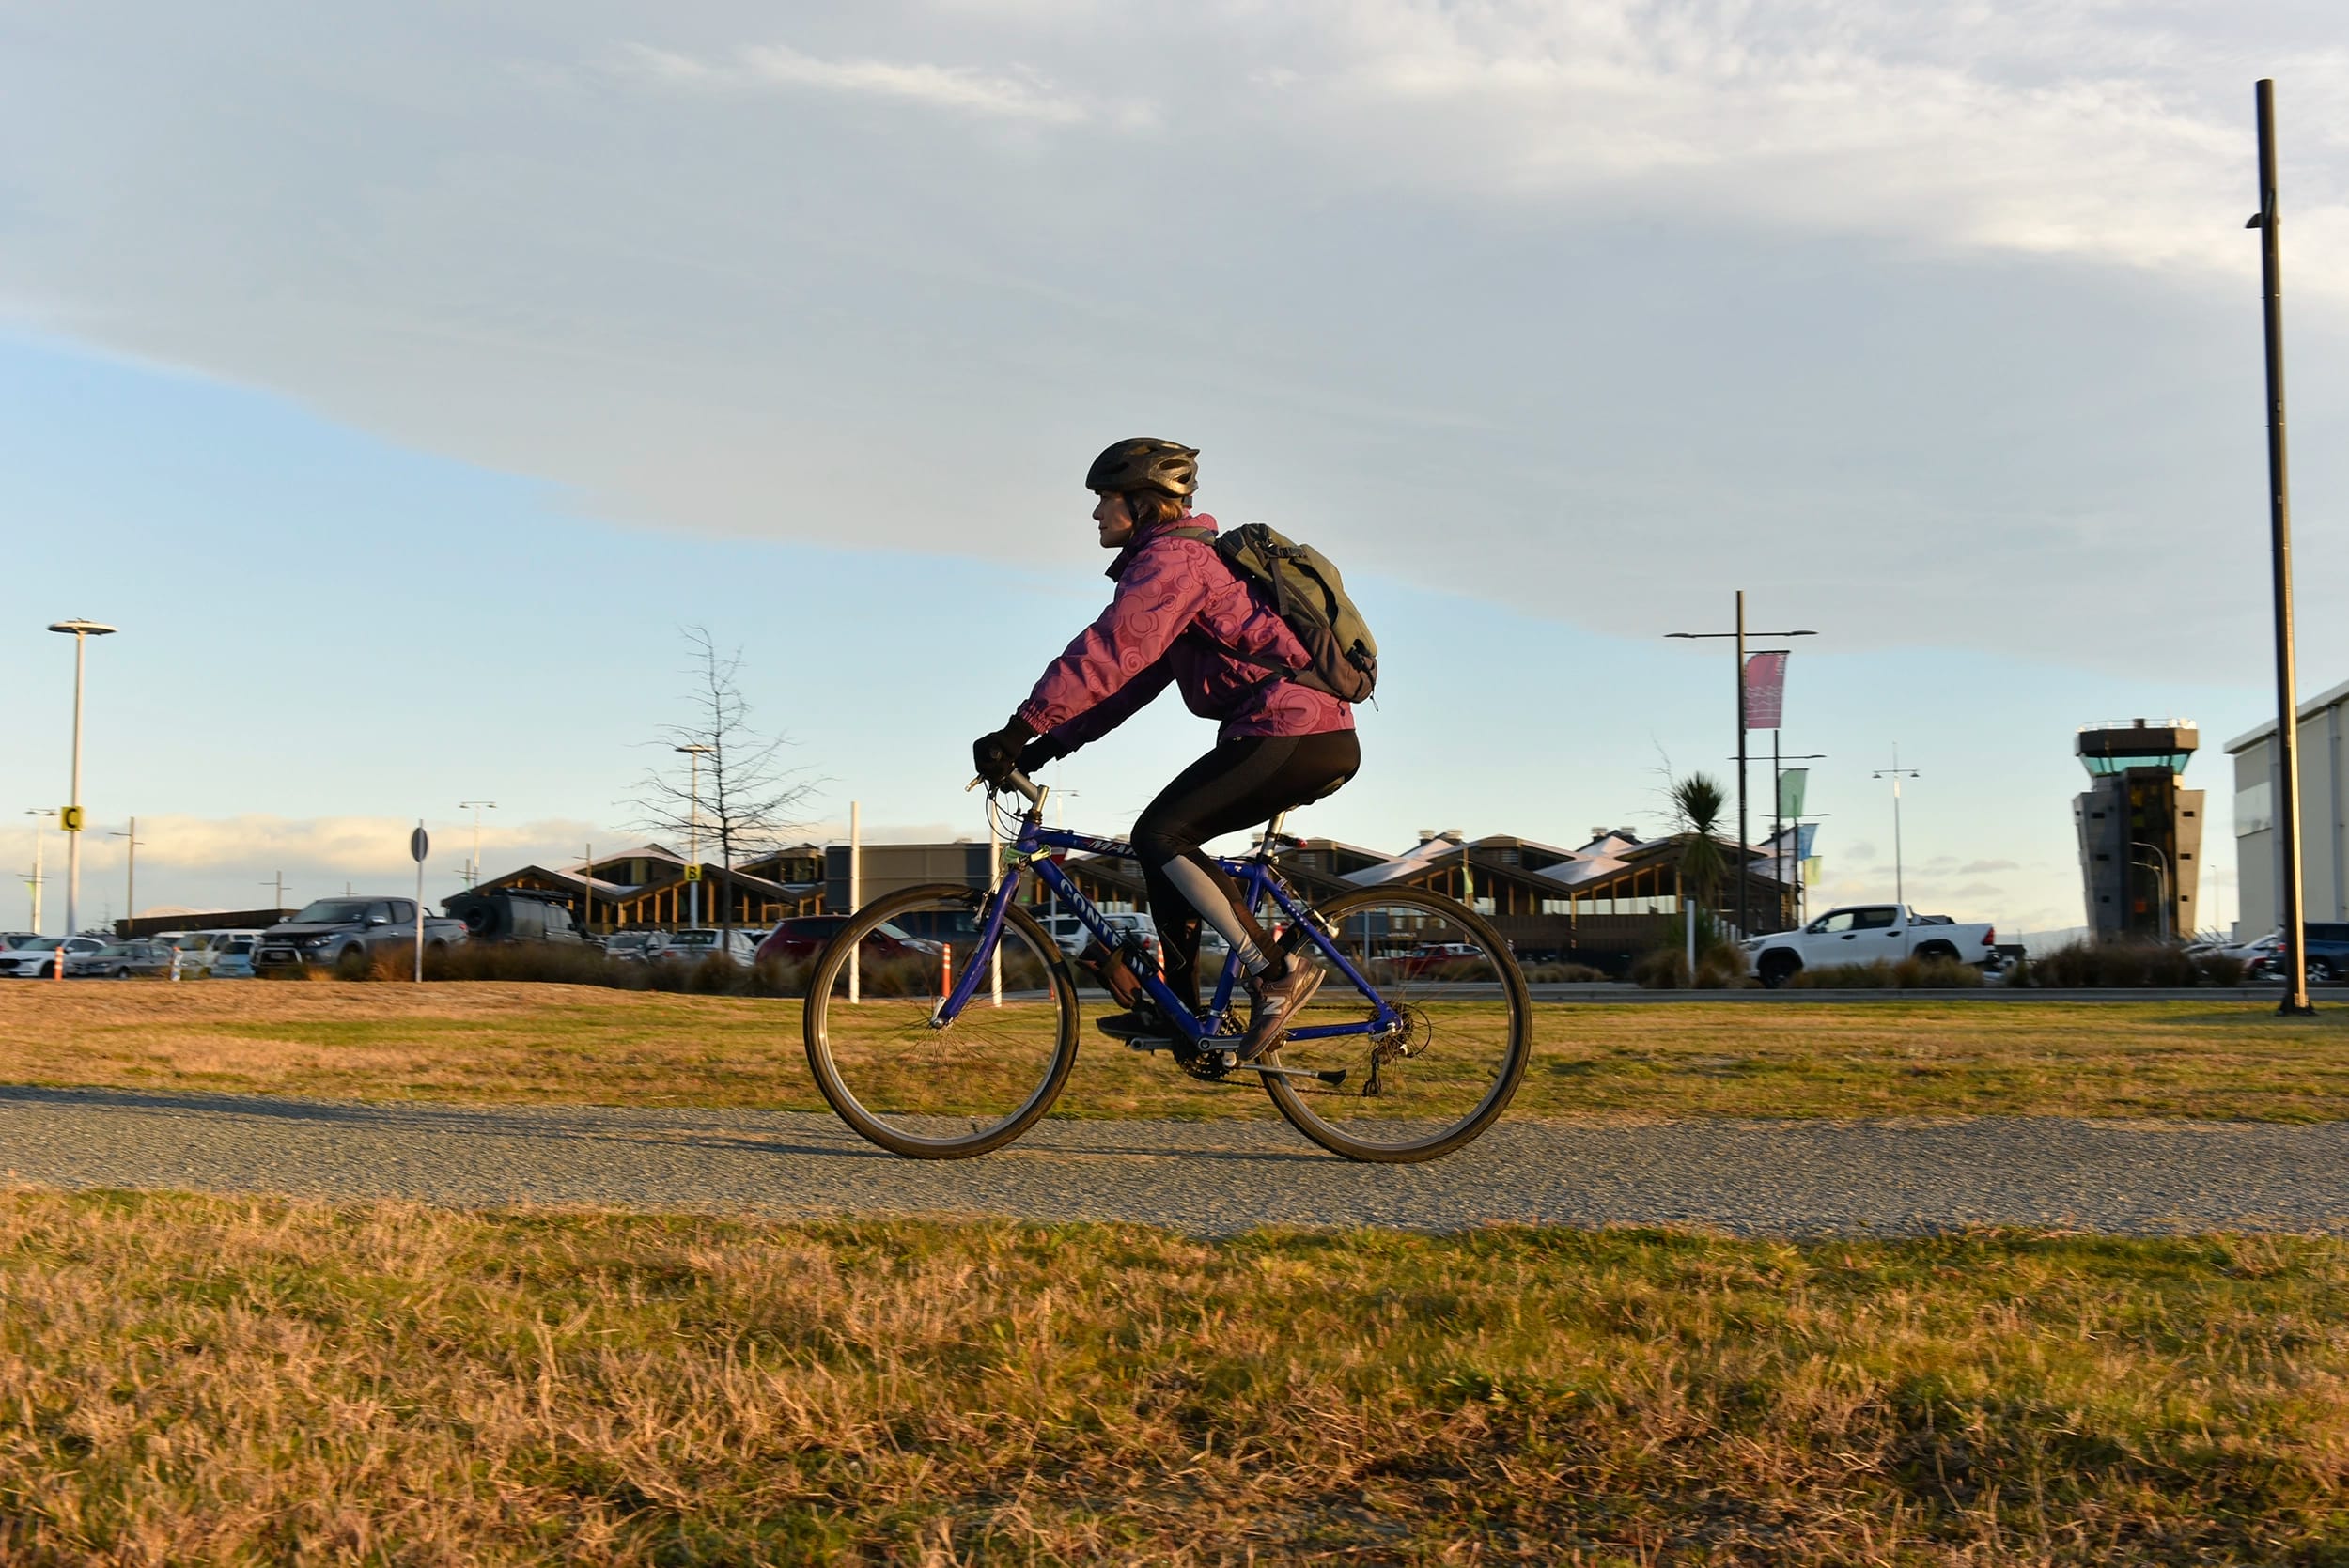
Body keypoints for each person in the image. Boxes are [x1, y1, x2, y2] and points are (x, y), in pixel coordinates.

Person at [972, 438, 1361, 1061]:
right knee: (1163, 851)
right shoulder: (1174, 565)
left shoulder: (1174, 561)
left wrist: (1020, 726)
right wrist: (1046, 745)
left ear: (1142, 502)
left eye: (1105, 498)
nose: (1095, 512)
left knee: (1160, 833)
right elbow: (1130, 681)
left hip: (1294, 729)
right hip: (1285, 731)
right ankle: (1183, 1012)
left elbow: (1111, 648)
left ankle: (1275, 974)